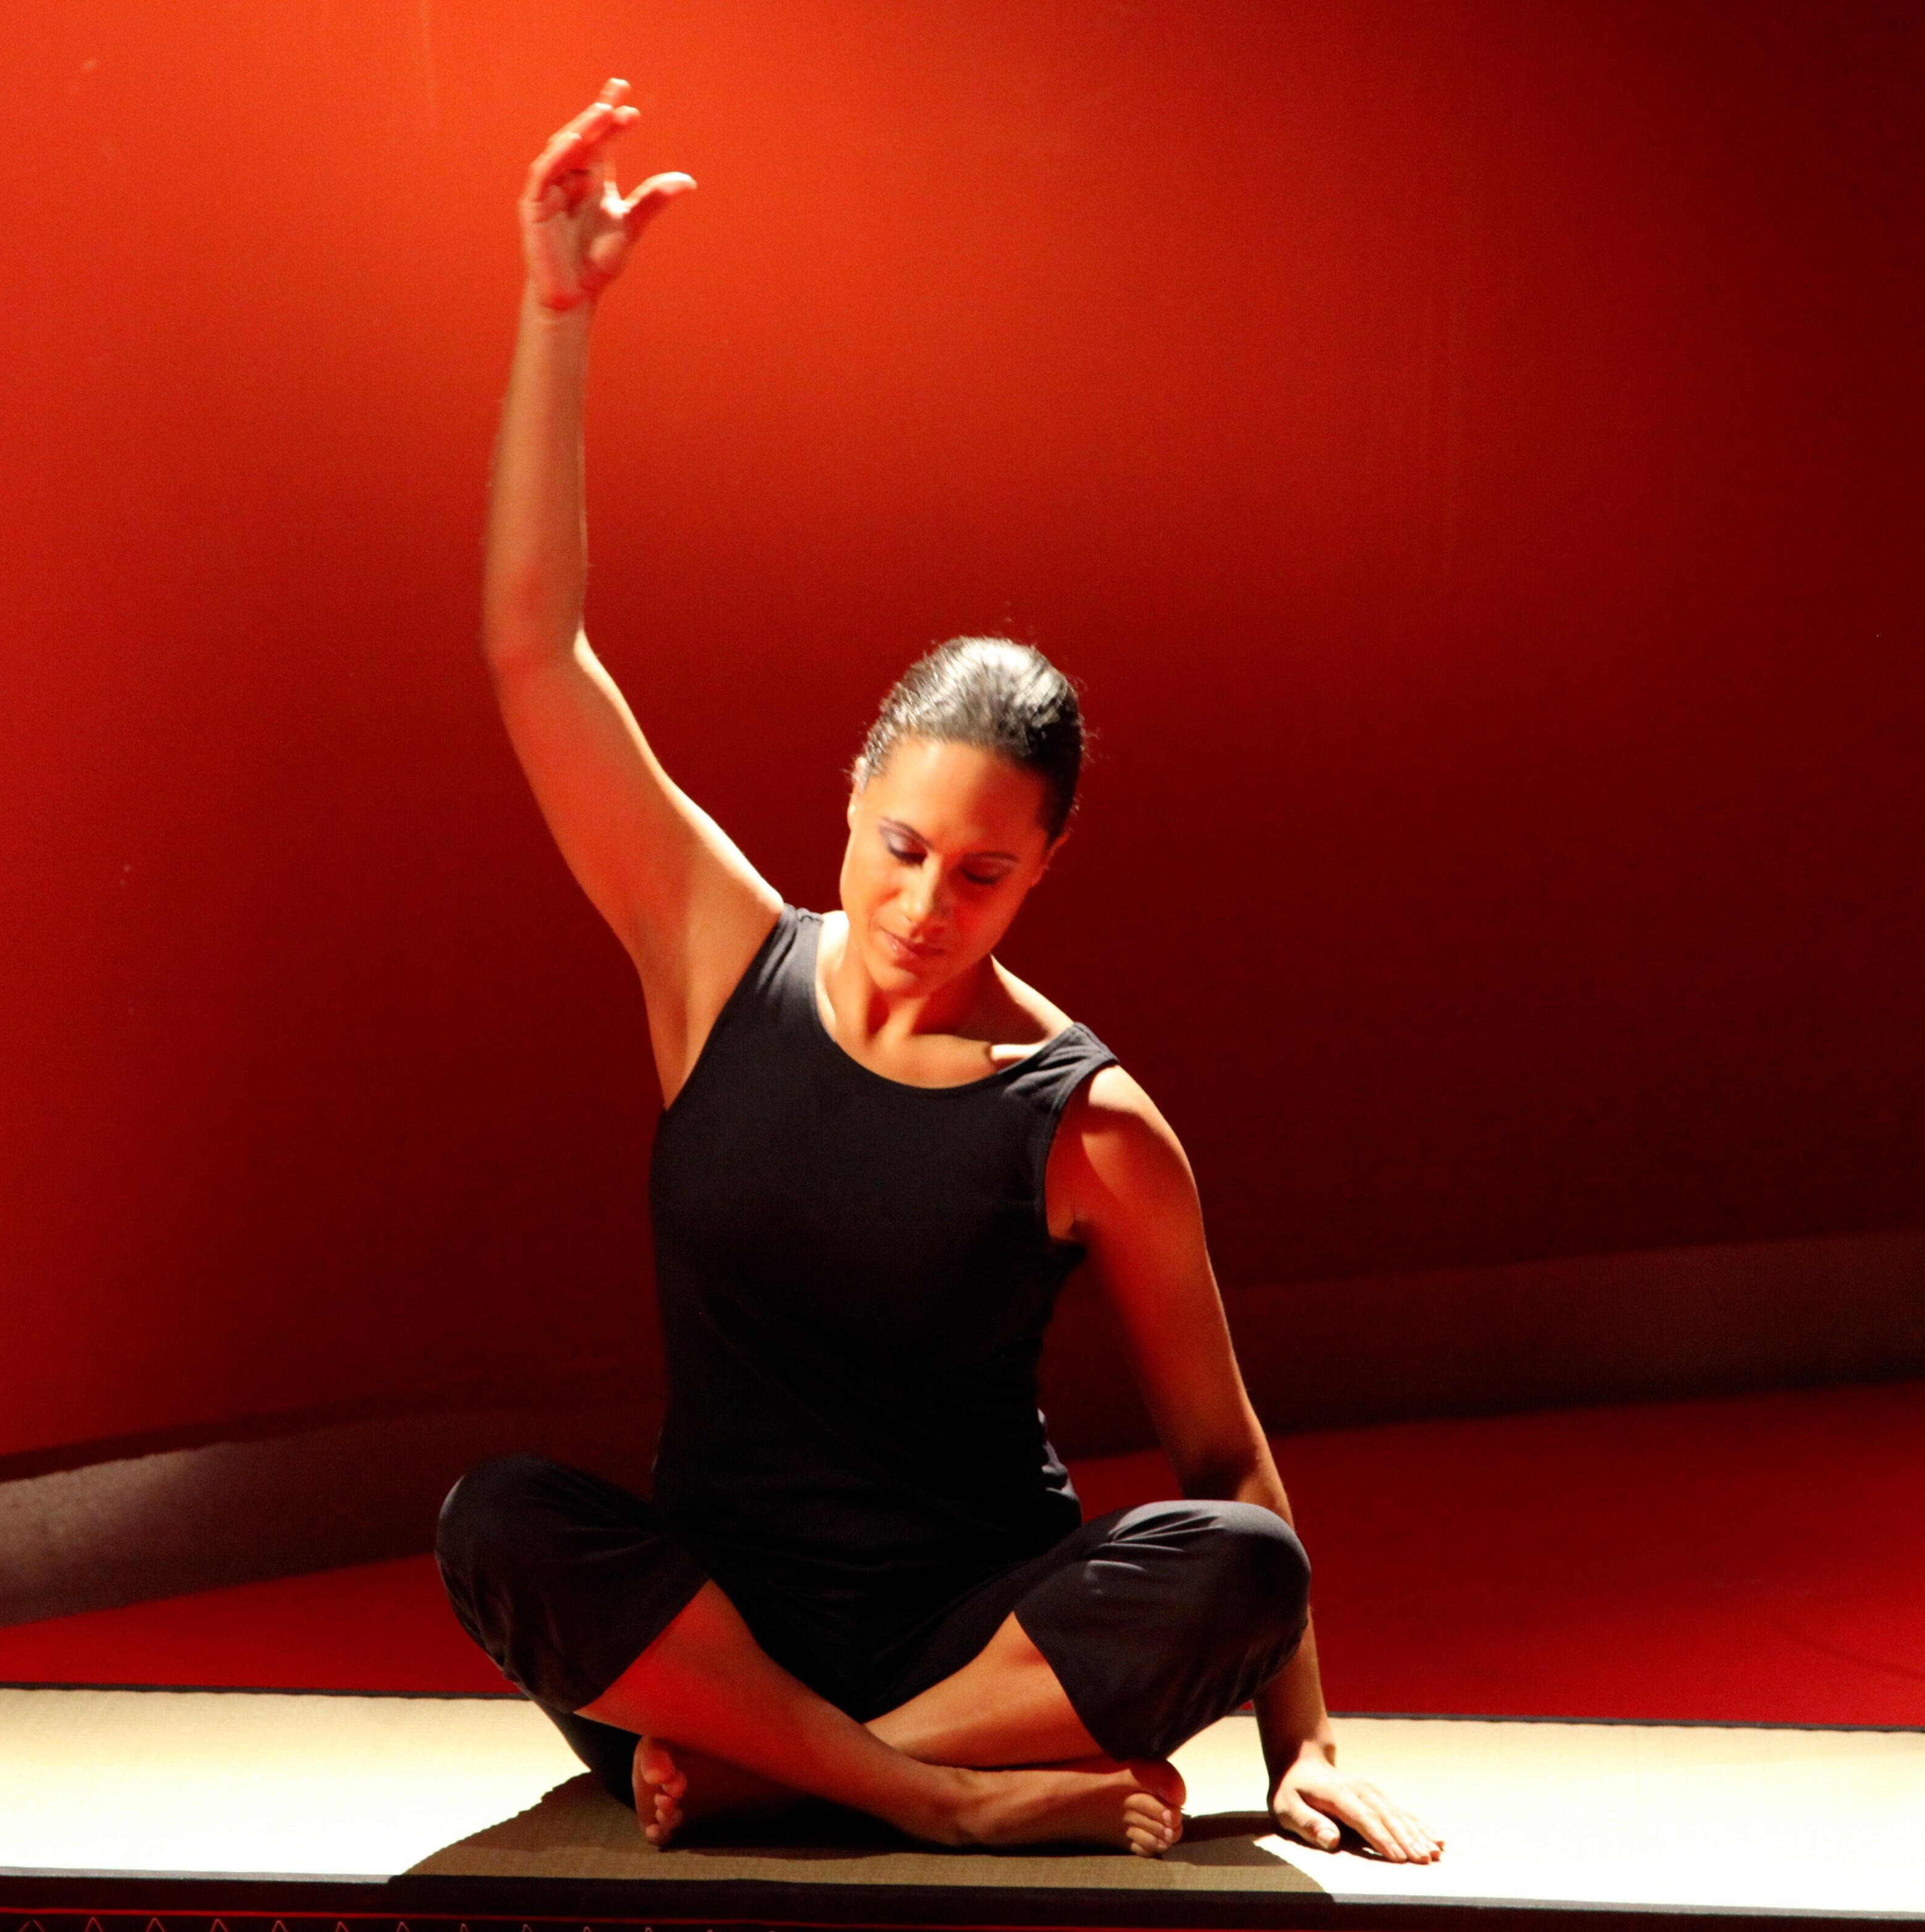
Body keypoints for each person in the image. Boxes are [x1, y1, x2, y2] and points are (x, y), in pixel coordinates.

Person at [434, 81, 1443, 1867]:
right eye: (900, 848)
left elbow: (1225, 1462)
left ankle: (798, 1775)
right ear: (853, 802)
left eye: (983, 874)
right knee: (497, 1520)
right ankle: (916, 1797)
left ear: (1046, 866)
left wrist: (1307, 1741)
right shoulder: (716, 956)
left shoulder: (1092, 1124)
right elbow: (535, 651)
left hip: (981, 1655)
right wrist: (555, 312)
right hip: (710, 1634)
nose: (924, 902)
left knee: (1244, 1567)